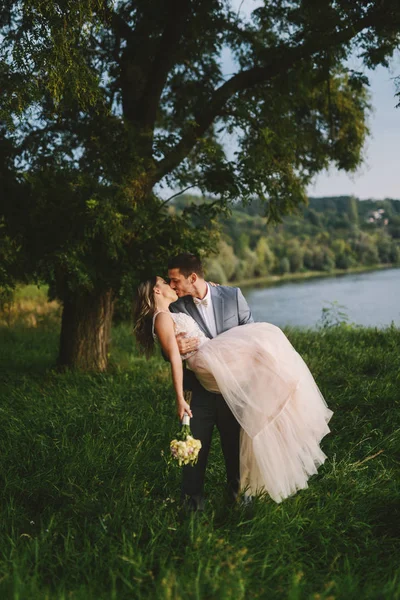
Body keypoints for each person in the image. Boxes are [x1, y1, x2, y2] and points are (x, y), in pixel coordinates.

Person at [134, 261, 332, 506]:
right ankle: (192, 506)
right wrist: (173, 353)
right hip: (200, 386)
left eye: (175, 280)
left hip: (235, 385)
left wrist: (210, 288)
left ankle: (240, 502)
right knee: (196, 448)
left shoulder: (231, 295)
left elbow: (249, 333)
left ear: (193, 277)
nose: (172, 285)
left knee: (236, 447)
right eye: (168, 282)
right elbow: (169, 343)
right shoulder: (177, 303)